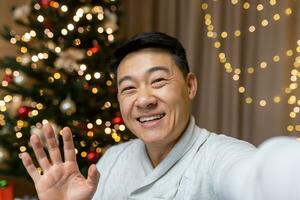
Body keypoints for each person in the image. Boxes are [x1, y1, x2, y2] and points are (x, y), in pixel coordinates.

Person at [21, 32, 300, 200]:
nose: (144, 99)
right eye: (129, 88)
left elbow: (257, 178)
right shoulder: (113, 159)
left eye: (158, 81)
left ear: (190, 86)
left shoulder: (221, 157)